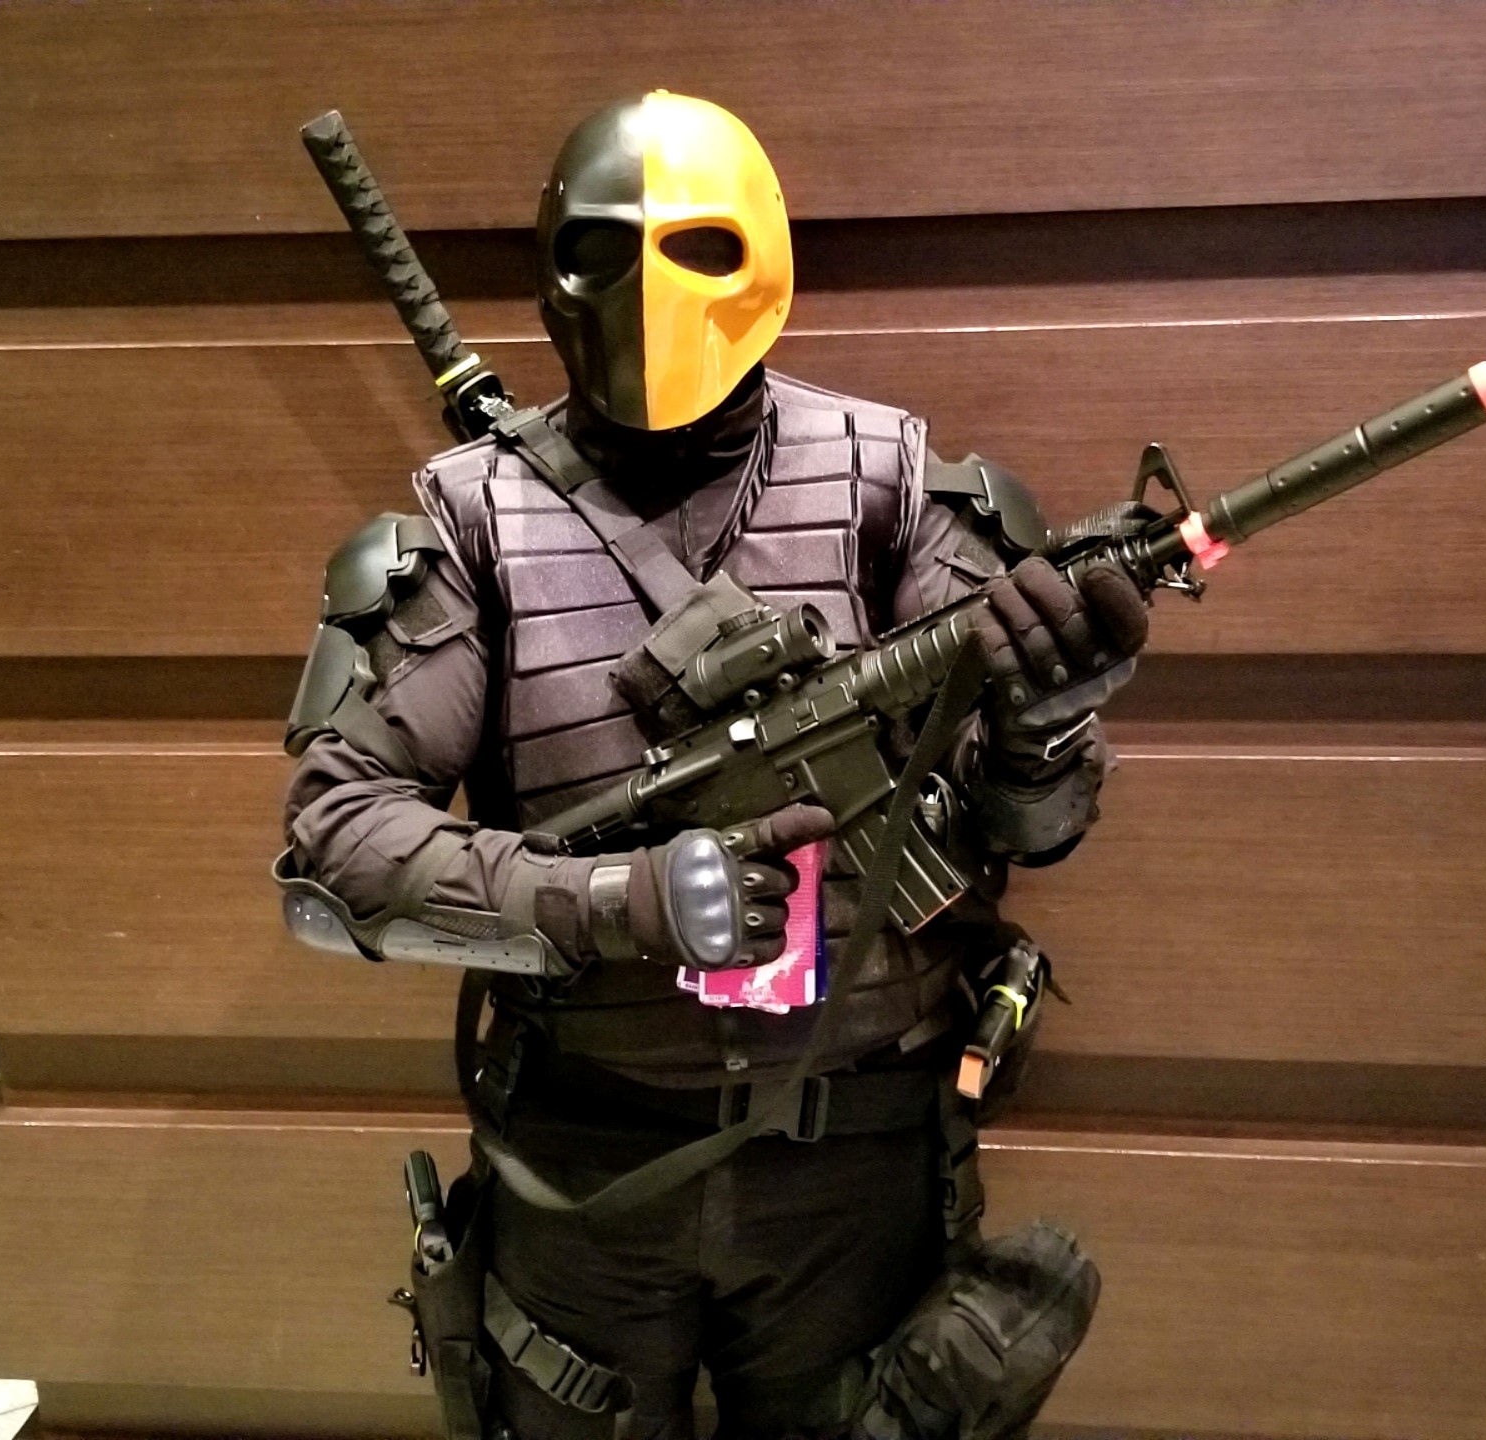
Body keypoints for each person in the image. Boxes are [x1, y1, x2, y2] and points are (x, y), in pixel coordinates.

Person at [280, 92, 1139, 1440]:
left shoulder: (889, 484)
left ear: (764, 258)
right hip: (589, 1151)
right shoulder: (477, 517)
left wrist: (1047, 721)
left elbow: (1016, 826)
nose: (652, 292)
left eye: (696, 246)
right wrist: (618, 901)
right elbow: (332, 853)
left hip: (855, 1150)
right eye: (605, 247)